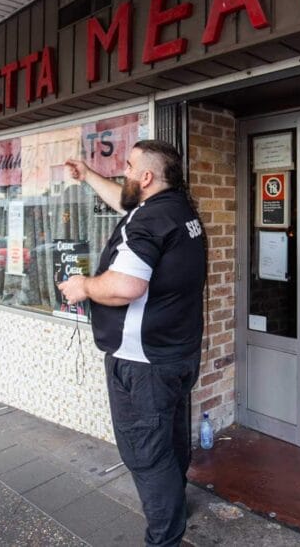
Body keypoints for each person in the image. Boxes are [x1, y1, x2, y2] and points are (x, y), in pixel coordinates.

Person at [59, 140, 207, 547]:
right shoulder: (178, 210)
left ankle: (164, 537)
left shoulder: (148, 220)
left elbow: (126, 286)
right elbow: (127, 203)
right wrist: (89, 175)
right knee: (171, 441)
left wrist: (84, 286)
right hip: (177, 353)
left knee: (146, 453)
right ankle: (174, 507)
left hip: (143, 363)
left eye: (128, 166)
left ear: (146, 177)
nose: (123, 172)